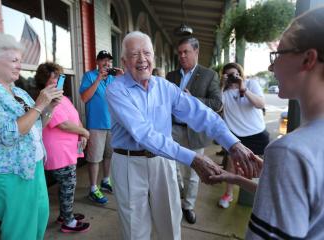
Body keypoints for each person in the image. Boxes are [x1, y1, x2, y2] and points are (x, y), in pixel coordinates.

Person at [106, 31, 259, 240]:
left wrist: (232, 143)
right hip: (129, 162)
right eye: (134, 54)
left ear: (153, 57)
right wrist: (193, 158)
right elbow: (143, 134)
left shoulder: (164, 86)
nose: (142, 59)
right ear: (124, 61)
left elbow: (199, 112)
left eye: (147, 53)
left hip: (163, 160)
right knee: (134, 228)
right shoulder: (116, 90)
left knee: (170, 221)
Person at [212, 6, 324, 239]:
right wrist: (237, 178)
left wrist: (281, 167)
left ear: (308, 59)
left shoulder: (291, 153)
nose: (272, 67)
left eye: (278, 54)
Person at [0, 32, 63, 239]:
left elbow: (34, 127)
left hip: (30, 165)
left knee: (38, 221)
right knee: (20, 232)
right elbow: (7, 134)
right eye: (14, 61)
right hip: (8, 170)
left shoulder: (16, 91)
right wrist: (39, 105)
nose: (20, 66)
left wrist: (48, 108)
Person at [166, 37, 222, 224]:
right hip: (172, 129)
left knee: (193, 172)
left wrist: (194, 100)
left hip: (195, 132)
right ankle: (178, 194)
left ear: (196, 52)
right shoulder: (171, 76)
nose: (182, 56)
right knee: (171, 167)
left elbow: (217, 103)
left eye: (186, 52)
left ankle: (188, 206)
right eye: (179, 52)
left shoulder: (209, 75)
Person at [34, 62, 90, 233]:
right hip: (59, 152)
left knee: (67, 185)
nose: (58, 81)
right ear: (44, 82)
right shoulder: (47, 100)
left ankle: (65, 215)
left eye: (60, 77)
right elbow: (63, 125)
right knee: (68, 185)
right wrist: (85, 132)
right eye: (54, 79)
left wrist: (81, 133)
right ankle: (68, 222)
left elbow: (75, 117)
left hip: (69, 149)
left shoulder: (62, 97)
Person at [217, 62, 269, 209]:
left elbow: (260, 104)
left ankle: (265, 195)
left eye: (235, 75)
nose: (233, 78)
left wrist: (243, 88)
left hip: (257, 133)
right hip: (237, 136)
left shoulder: (251, 84)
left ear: (240, 74)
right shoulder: (224, 94)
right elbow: (218, 108)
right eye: (229, 76)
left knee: (262, 166)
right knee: (231, 165)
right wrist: (222, 85)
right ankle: (228, 194)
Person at [79, 50, 124, 205]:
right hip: (96, 125)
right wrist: (98, 79)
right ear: (97, 62)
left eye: (109, 61)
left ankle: (106, 180)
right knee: (94, 158)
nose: (107, 63)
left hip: (112, 124)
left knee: (109, 155)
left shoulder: (114, 78)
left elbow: (124, 96)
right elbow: (84, 98)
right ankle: (93, 188)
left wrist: (123, 78)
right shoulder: (89, 76)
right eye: (103, 60)